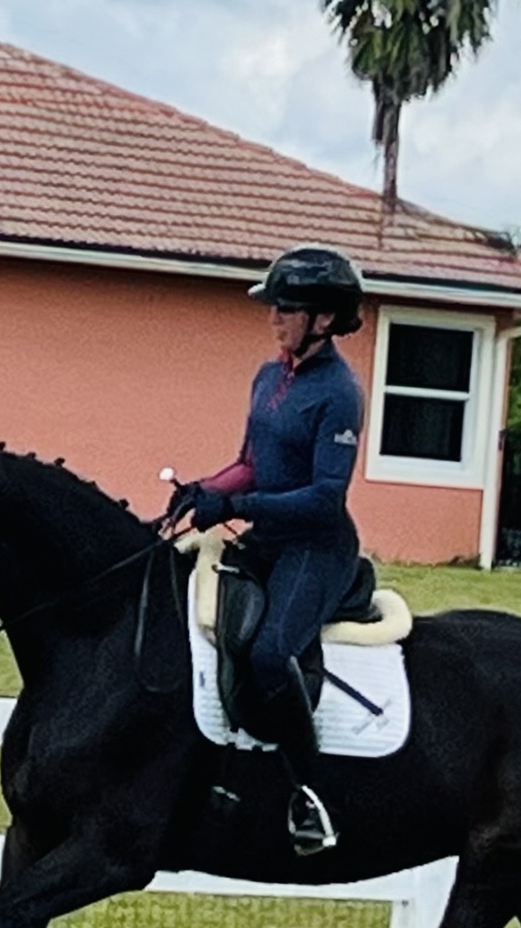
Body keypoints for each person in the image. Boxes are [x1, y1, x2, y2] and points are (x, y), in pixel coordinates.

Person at [168, 245, 367, 856]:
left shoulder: (339, 392)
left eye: (287, 308)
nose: (274, 316)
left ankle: (312, 794)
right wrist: (204, 491)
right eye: (274, 306)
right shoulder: (268, 377)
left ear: (323, 319)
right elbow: (251, 464)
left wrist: (237, 505)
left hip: (316, 548)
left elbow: (325, 498)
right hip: (267, 539)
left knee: (271, 652)